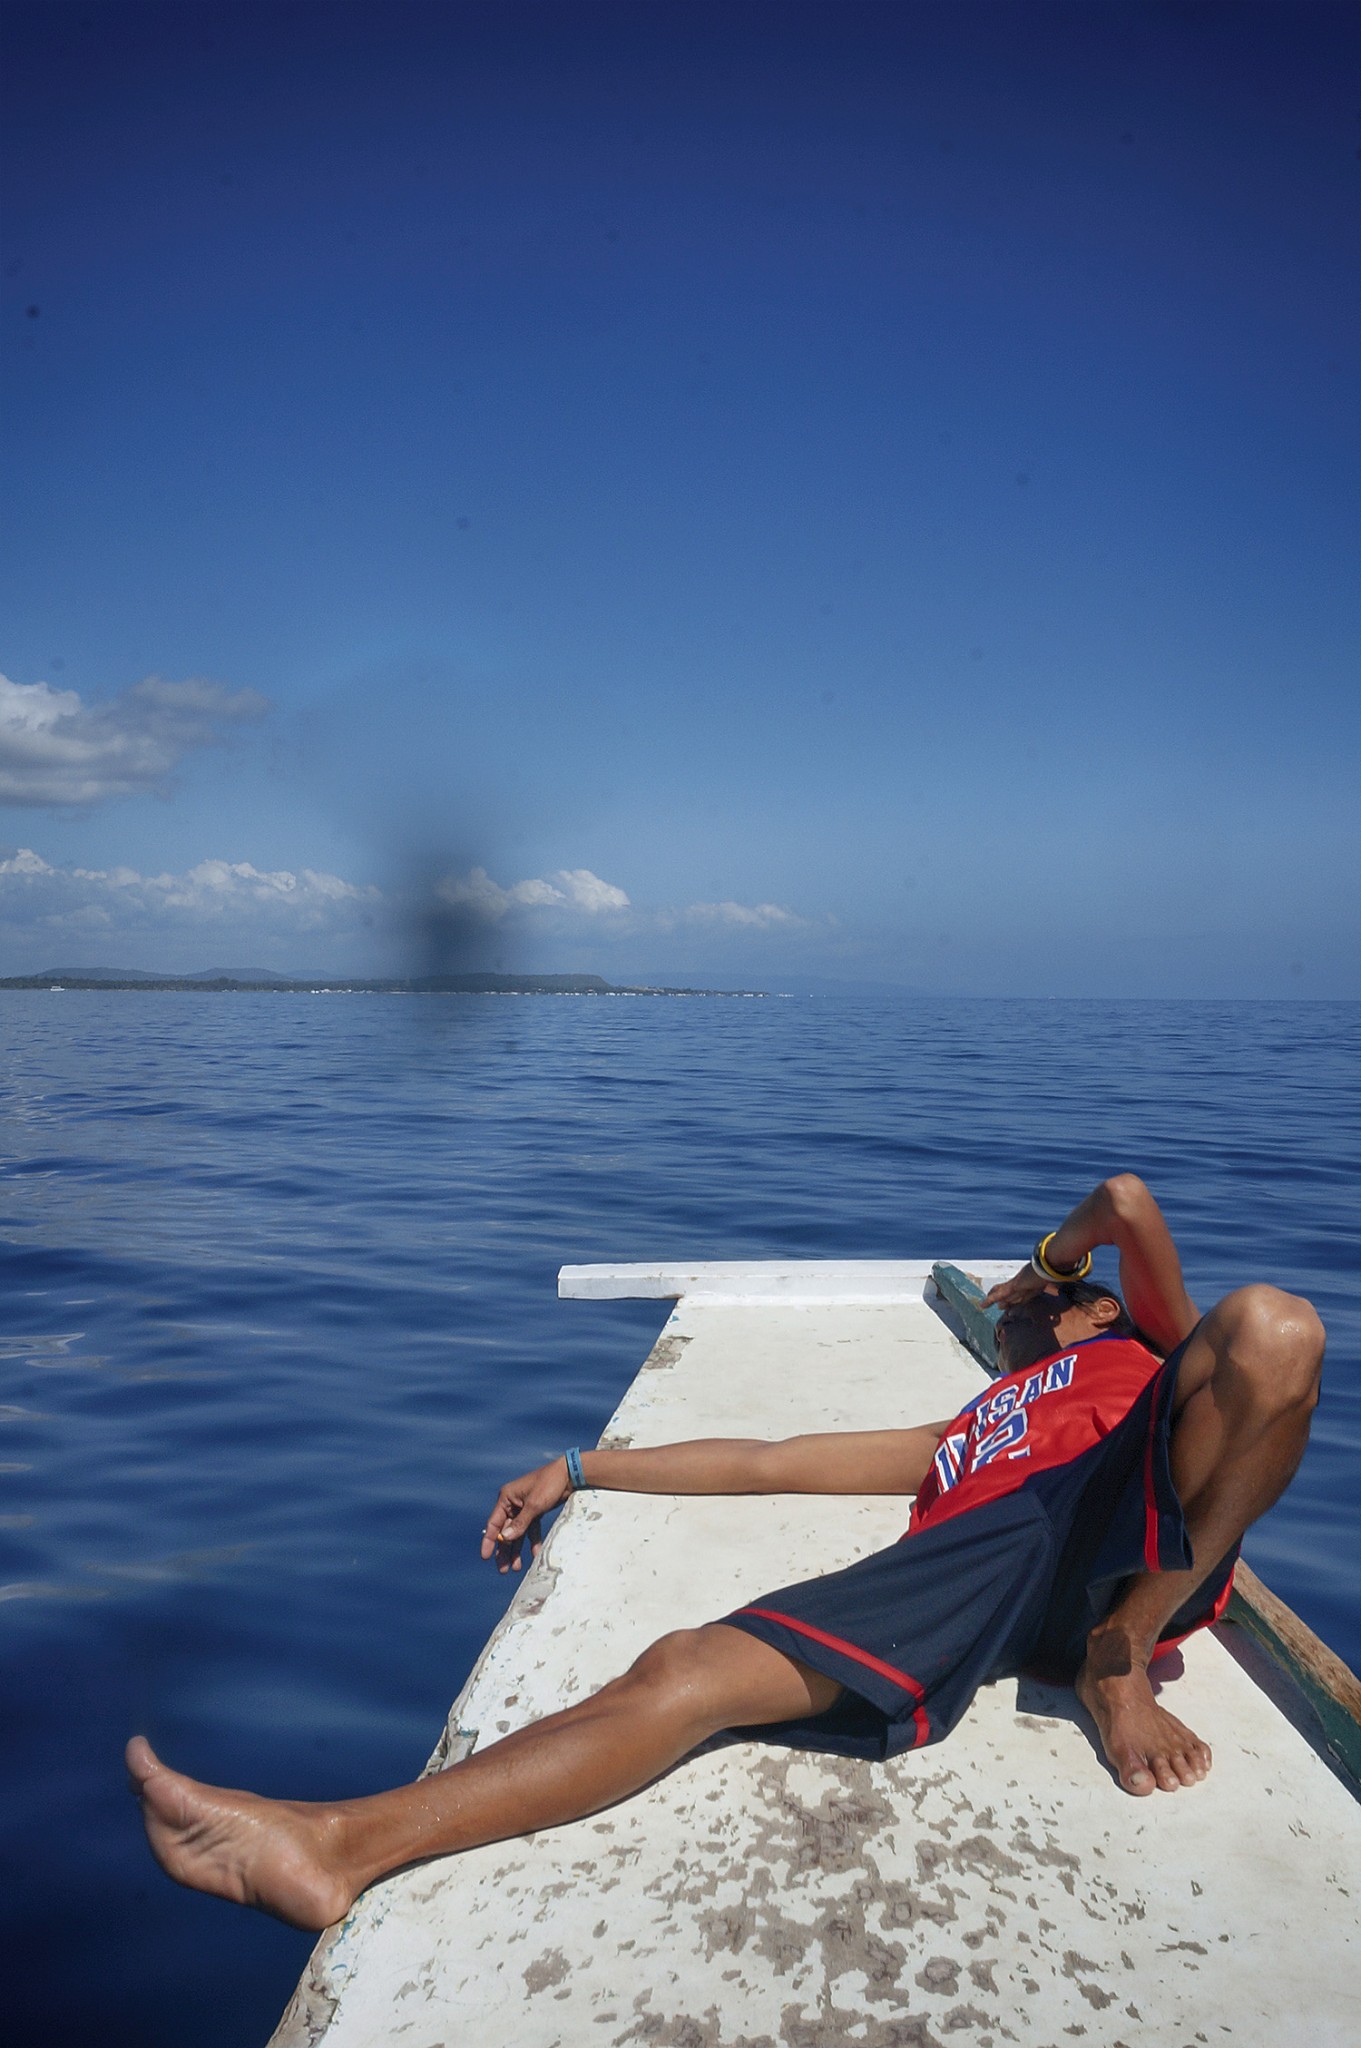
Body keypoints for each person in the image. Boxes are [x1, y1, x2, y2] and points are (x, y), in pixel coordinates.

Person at [126, 1174, 1323, 1931]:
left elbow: (1121, 1199)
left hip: (1131, 1529)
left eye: (1036, 1317)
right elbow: (766, 1457)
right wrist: (580, 1467)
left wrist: (1048, 1270)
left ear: (1095, 1311)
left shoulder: (1142, 1353)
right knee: (683, 1669)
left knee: (1273, 1327)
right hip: (988, 1558)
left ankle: (1115, 1649)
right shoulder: (958, 1429)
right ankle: (337, 1842)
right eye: (1013, 1325)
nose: (1018, 1327)